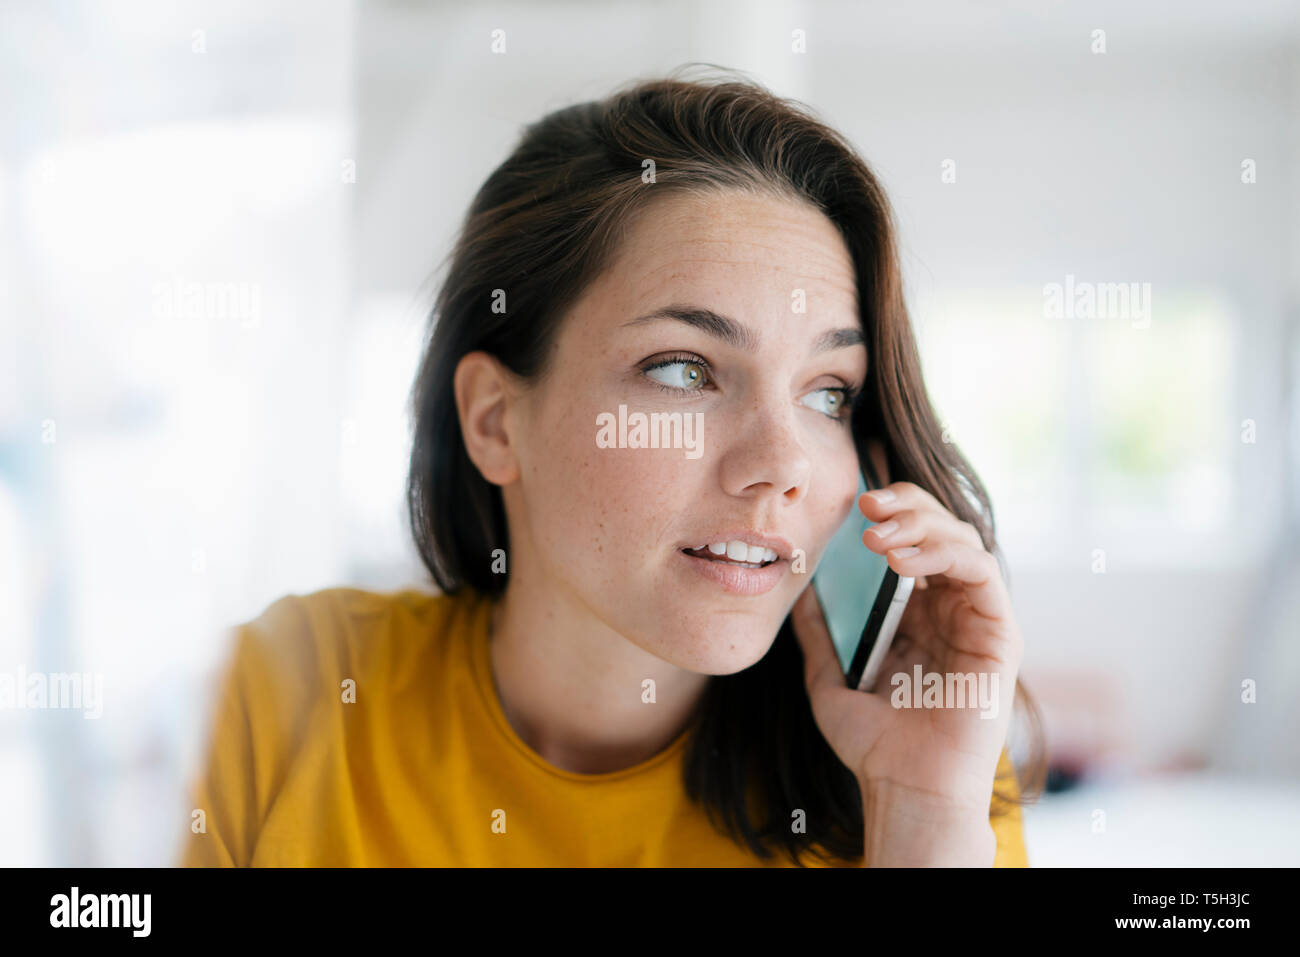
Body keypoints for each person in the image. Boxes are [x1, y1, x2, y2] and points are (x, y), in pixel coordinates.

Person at [179, 67, 1045, 868]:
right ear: (494, 421)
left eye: (828, 392)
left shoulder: (928, 769)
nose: (782, 467)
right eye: (682, 370)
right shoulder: (281, 695)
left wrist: (923, 815)